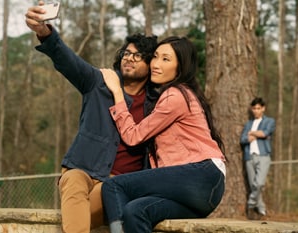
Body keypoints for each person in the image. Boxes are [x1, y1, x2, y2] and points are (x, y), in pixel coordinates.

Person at [25, 2, 158, 233]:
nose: (129, 58)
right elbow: (67, 60)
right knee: (73, 178)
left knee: (95, 203)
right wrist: (44, 32)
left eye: (138, 56)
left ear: (151, 65)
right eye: (127, 53)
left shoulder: (156, 105)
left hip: (118, 185)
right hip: (82, 172)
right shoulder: (99, 83)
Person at [100, 36, 227, 233]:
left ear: (181, 67)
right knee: (136, 211)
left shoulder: (175, 95)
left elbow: (133, 136)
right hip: (205, 192)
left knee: (113, 186)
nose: (155, 64)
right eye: (156, 57)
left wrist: (117, 92)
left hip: (201, 175)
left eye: (165, 59)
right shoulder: (179, 94)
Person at [240, 97, 275, 218]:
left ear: (263, 108)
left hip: (263, 155)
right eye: (254, 108)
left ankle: (250, 204)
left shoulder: (269, 121)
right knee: (252, 184)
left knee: (259, 184)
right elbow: (243, 139)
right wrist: (253, 134)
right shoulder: (248, 124)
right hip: (249, 157)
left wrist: (252, 133)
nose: (256, 111)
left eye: (258, 108)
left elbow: (265, 133)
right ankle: (261, 210)